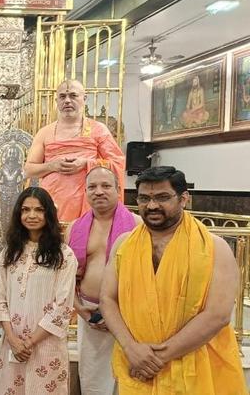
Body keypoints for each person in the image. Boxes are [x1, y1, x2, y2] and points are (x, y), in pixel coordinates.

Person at [100, 166, 246, 394]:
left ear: (184, 198)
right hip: (137, 363)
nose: (152, 205)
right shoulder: (124, 244)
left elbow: (217, 315)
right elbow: (107, 299)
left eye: (162, 197)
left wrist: (156, 358)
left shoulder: (214, 248)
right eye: (144, 198)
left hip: (196, 368)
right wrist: (131, 349)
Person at [0, 187, 77, 395]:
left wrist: (28, 343)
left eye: (39, 210)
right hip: (12, 345)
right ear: (18, 214)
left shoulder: (63, 255)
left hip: (46, 346)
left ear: (49, 214)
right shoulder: (10, 252)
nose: (31, 215)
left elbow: (62, 307)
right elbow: (0, 298)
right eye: (25, 210)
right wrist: (13, 339)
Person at [66, 167, 139, 395]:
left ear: (118, 190)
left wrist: (119, 312)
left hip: (129, 315)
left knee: (127, 377)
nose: (99, 191)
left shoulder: (138, 226)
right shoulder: (74, 228)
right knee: (93, 380)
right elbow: (66, 279)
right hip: (90, 315)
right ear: (85, 192)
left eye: (106, 186)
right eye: (92, 187)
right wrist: (82, 311)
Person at [24, 79, 126, 222]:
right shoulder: (44, 133)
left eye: (73, 95)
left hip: (89, 202)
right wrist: (52, 165)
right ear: (56, 101)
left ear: (84, 99)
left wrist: (86, 163)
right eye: (62, 97)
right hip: (51, 201)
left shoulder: (98, 129)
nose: (67, 101)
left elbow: (117, 162)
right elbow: (29, 169)